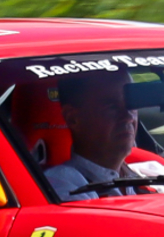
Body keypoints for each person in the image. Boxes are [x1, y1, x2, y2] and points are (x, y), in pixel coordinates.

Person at [40, 72, 139, 202]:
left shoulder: (153, 173)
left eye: (131, 104)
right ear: (73, 119)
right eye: (111, 107)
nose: (128, 117)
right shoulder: (60, 187)